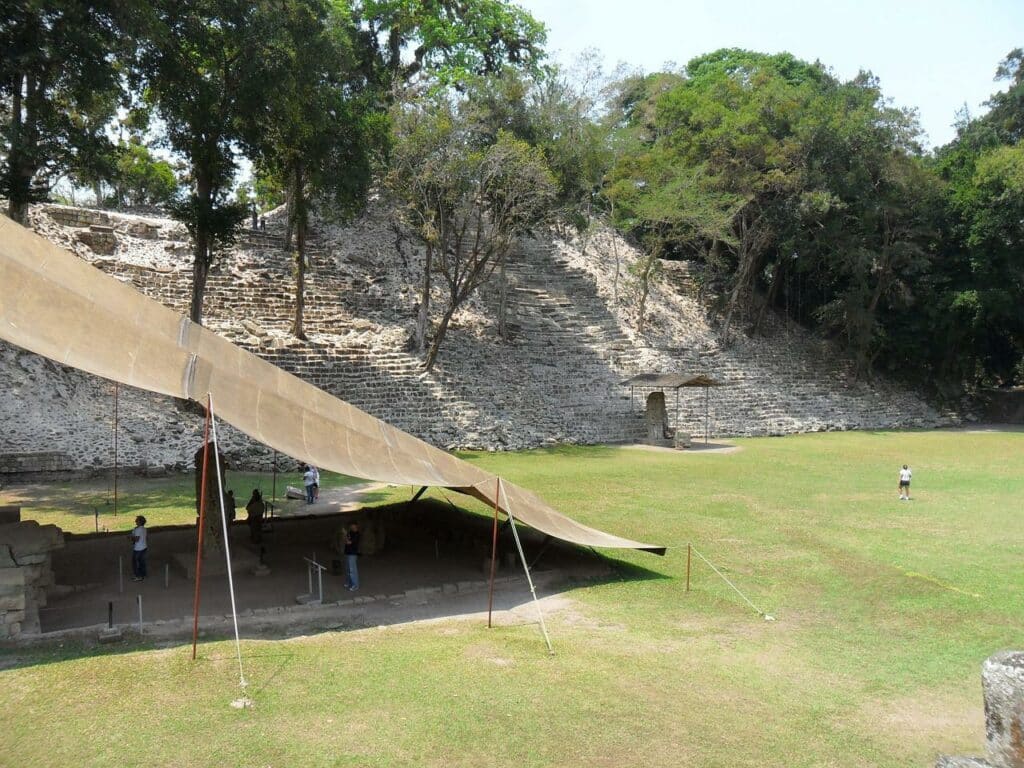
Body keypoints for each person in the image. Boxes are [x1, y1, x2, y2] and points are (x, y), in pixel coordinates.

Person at [129, 515, 147, 581]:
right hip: (144, 547)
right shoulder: (144, 529)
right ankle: (143, 575)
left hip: (138, 549)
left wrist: (130, 538)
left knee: (135, 563)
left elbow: (136, 539)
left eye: (137, 520)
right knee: (142, 562)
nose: (135, 521)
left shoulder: (138, 529)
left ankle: (138, 576)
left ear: (140, 522)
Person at [343, 522, 360, 591]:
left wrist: (345, 534)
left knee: (352, 570)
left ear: (356, 526)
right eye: (351, 526)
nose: (351, 527)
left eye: (353, 526)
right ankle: (349, 583)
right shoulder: (350, 532)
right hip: (347, 552)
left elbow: (348, 542)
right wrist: (346, 535)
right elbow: (346, 539)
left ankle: (355, 585)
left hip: (352, 554)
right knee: (348, 569)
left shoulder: (357, 534)